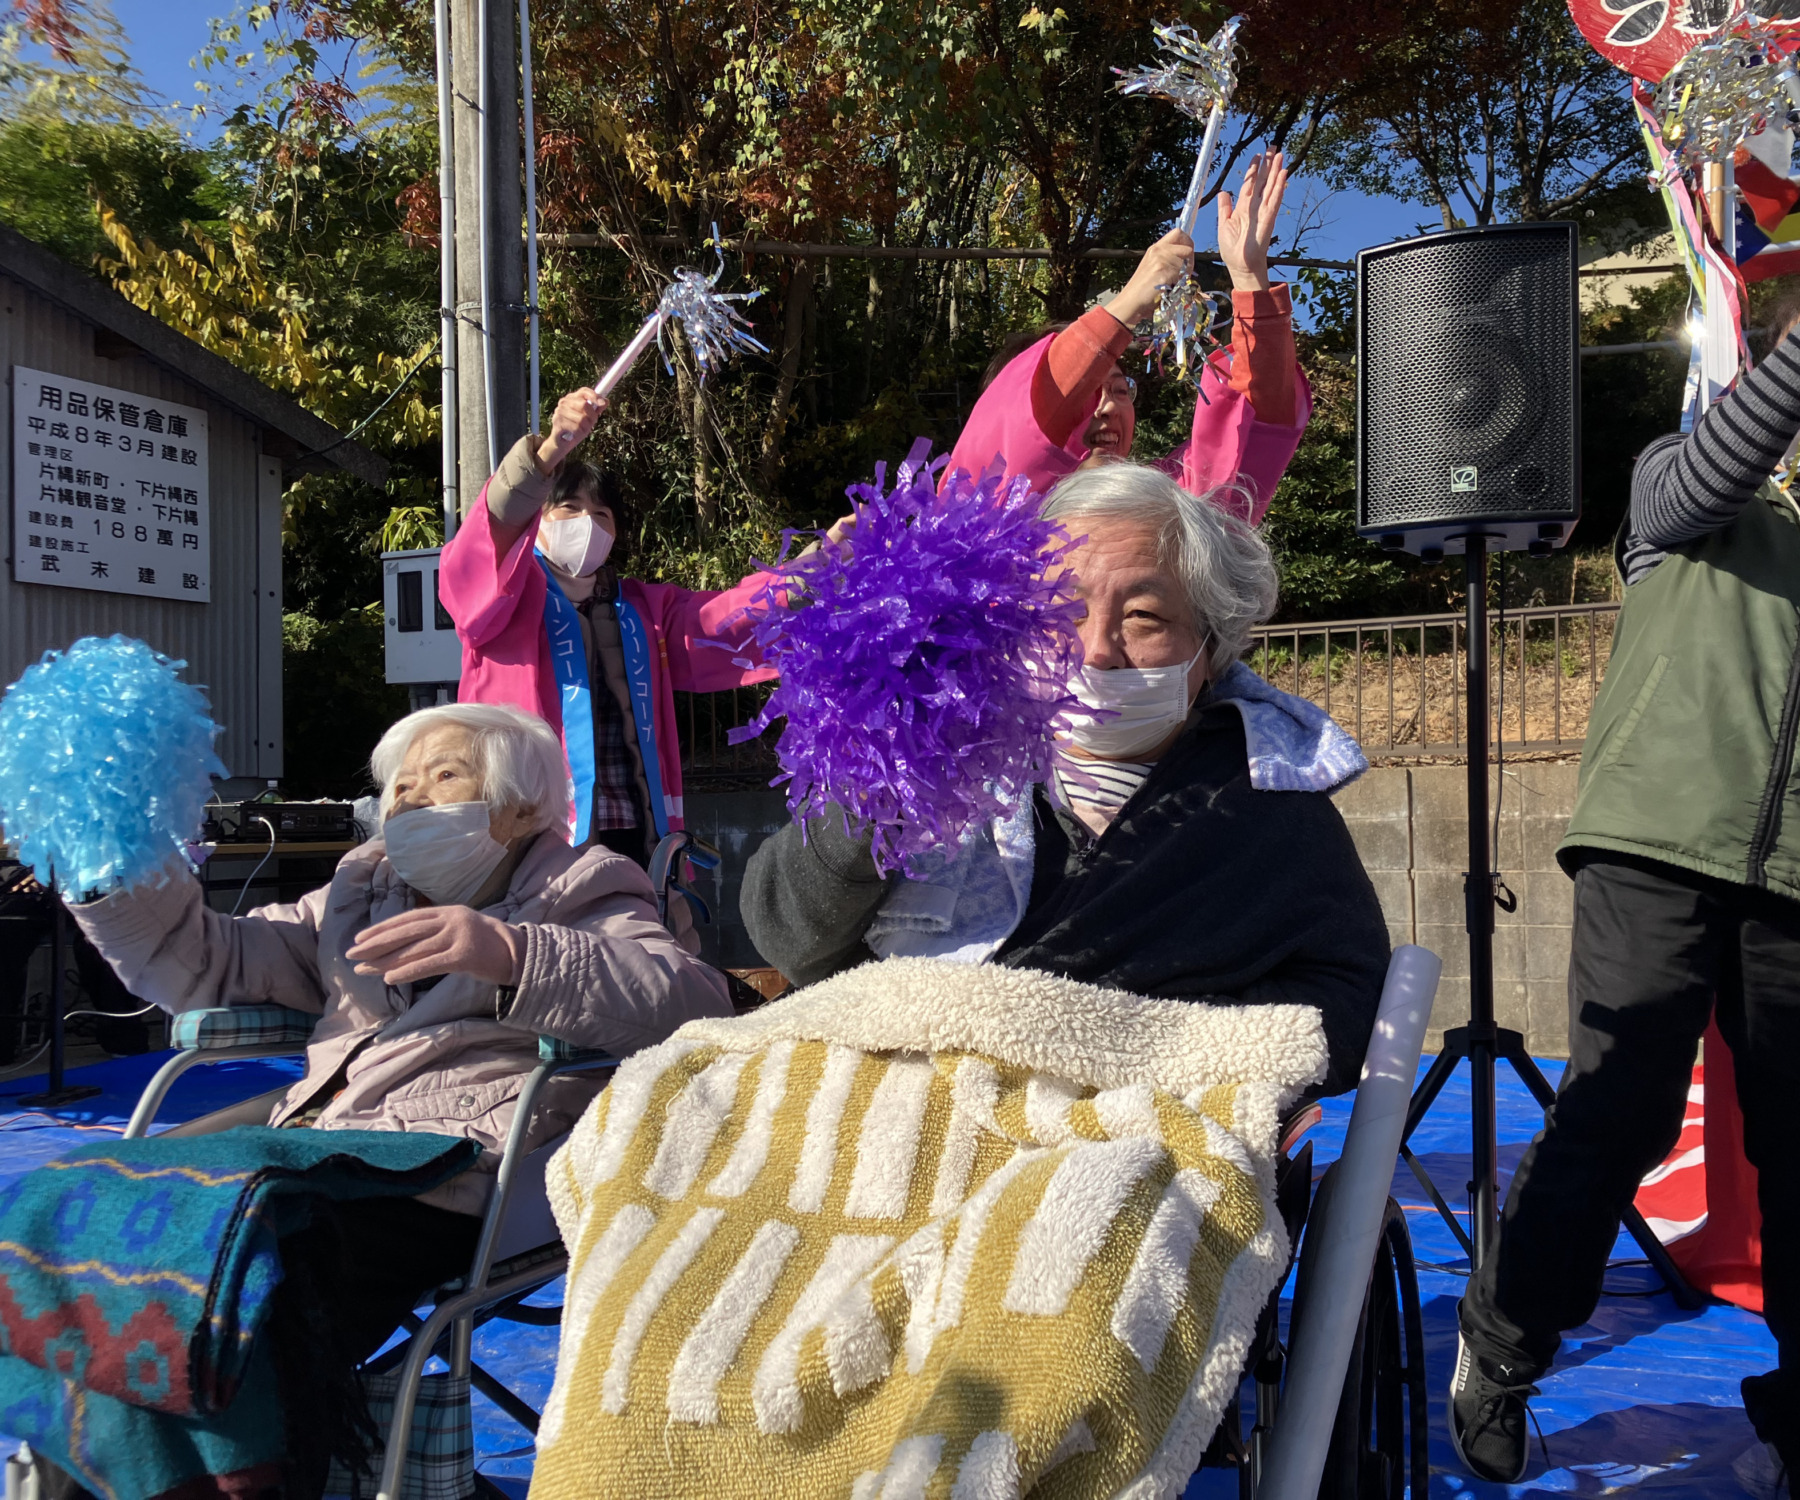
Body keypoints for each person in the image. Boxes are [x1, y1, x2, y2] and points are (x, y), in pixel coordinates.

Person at [1449, 212, 1800, 1499]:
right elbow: (1716, 464)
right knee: (1617, 1109)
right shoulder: (1677, 486)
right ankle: (1503, 1348)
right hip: (1655, 842)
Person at [60, 701, 730, 1493]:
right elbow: (211, 960)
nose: (410, 800)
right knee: (99, 1213)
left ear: (520, 807)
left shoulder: (583, 883)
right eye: (399, 786)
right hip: (322, 1144)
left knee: (251, 1291)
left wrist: (515, 954)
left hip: (454, 1168)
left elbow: (692, 1001)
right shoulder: (360, 886)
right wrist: (113, 870)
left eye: (443, 776)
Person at [740, 461, 1390, 1089]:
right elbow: (792, 943)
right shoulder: (933, 765)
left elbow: (1344, 995)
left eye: (1145, 617)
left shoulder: (1271, 807)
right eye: (1063, 611)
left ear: (1211, 650)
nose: (1099, 648)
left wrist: (1141, 1051)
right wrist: (872, 797)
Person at [440, 394, 781, 866]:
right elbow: (483, 543)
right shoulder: (501, 598)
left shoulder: (643, 609)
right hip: (522, 835)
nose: (587, 523)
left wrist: (806, 574)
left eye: (601, 515)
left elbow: (724, 620)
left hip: (633, 831)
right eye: (569, 509)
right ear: (536, 521)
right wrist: (551, 450)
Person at [950, 151, 1311, 526]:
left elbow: (1254, 435)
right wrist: (1127, 305)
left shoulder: (1167, 515)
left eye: (1121, 390)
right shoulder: (974, 526)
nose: (1107, 409)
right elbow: (1008, 451)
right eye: (1084, 396)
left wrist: (1250, 279)